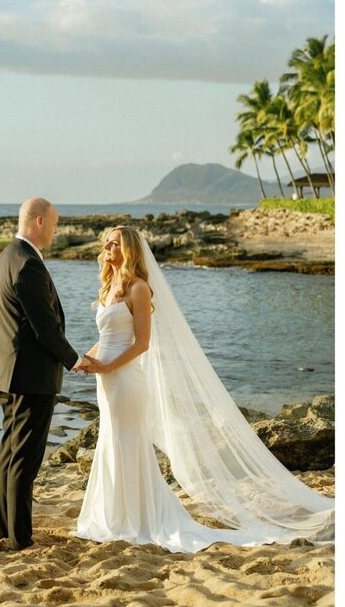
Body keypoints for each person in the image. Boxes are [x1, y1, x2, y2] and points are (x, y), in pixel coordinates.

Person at [75, 226, 334, 552]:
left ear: (128, 250)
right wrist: (87, 358)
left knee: (127, 443)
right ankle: (112, 514)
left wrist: (109, 365)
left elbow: (141, 343)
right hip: (106, 381)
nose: (107, 246)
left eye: (114, 243)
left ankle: (132, 519)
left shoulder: (139, 288)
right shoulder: (111, 285)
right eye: (107, 242)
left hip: (126, 381)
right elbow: (109, 338)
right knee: (111, 441)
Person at [0, 197, 86, 551]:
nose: (58, 231)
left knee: (10, 454)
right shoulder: (28, 264)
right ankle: (20, 538)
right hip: (30, 377)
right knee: (25, 461)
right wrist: (74, 360)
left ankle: (7, 529)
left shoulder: (5, 258)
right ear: (40, 221)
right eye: (56, 224)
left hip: (9, 372)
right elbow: (44, 329)